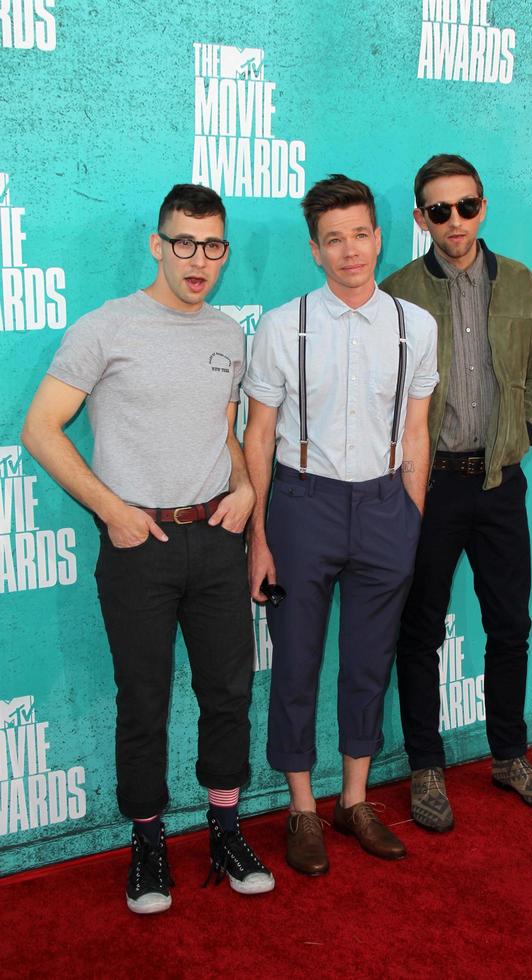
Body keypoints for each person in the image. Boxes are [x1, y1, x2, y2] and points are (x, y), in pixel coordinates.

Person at [21, 183, 274, 913]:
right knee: (144, 701)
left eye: (214, 246)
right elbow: (41, 428)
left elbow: (221, 433)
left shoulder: (229, 333)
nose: (199, 261)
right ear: (157, 245)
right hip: (139, 547)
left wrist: (247, 490)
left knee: (227, 692)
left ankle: (225, 827)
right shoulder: (106, 327)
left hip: (217, 541)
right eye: (184, 243)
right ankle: (148, 841)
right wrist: (113, 511)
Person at [243, 174, 438, 875]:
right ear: (315, 250)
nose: (350, 250)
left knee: (369, 663)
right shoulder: (281, 326)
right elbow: (257, 435)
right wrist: (259, 534)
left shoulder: (416, 326)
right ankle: (300, 808)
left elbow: (416, 432)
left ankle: (355, 800)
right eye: (334, 239)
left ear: (380, 236)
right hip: (302, 507)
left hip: (387, 507)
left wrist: (410, 519)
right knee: (294, 664)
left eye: (360, 234)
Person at [380, 154, 532, 832]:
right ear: (420, 217)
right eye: (438, 209)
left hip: (499, 481)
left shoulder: (519, 282)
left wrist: (522, 430)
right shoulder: (397, 289)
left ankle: (509, 756)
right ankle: (426, 767)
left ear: (482, 207)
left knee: (510, 625)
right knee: (420, 628)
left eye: (465, 206)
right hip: (430, 487)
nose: (453, 221)